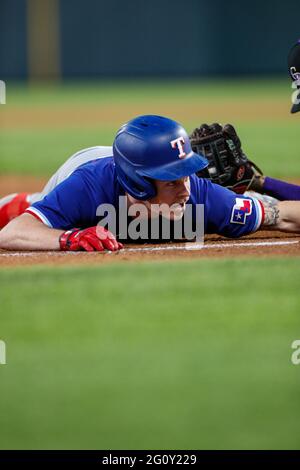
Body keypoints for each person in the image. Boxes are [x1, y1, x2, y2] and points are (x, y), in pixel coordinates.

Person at [0, 114, 299, 253]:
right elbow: (14, 233)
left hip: (125, 165)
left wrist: (260, 183)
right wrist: (67, 238)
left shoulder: (202, 197)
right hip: (82, 167)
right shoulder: (87, 186)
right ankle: (28, 200)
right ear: (138, 183)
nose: (185, 190)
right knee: (35, 209)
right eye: (172, 181)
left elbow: (283, 215)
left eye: (186, 174)